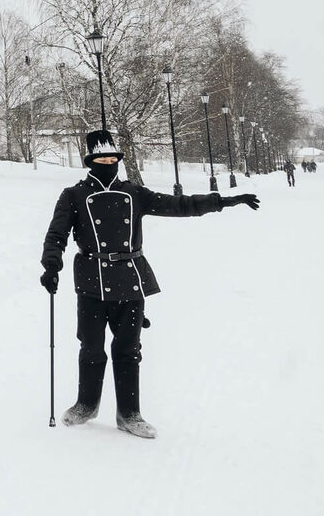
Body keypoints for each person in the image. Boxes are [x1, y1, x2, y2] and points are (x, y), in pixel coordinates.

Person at [41, 129, 259, 438]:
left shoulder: (134, 193)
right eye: (101, 158)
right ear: (90, 161)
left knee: (129, 349)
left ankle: (130, 414)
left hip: (130, 278)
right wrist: (51, 265)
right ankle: (86, 404)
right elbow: (56, 234)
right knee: (91, 347)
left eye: (112, 158)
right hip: (92, 281)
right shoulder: (73, 195)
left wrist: (223, 201)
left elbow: (180, 205)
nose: (107, 162)